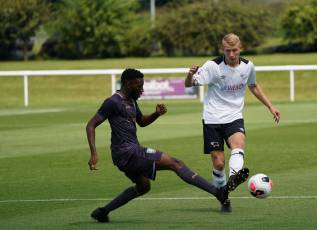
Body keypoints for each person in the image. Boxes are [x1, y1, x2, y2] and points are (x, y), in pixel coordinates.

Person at [86, 69, 239, 223]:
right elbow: (91, 125)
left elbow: (142, 122)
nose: (142, 89)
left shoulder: (131, 100)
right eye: (139, 86)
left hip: (126, 154)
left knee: (143, 187)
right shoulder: (113, 102)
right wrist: (94, 154)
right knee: (176, 163)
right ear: (128, 83)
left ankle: (103, 212)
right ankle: (218, 192)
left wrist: (156, 114)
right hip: (127, 152)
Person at [185, 33, 281, 210]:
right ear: (223, 49)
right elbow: (189, 85)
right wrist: (190, 75)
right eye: (228, 51)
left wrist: (270, 106)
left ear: (240, 48)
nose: (231, 54)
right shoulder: (213, 66)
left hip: (234, 116)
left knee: (239, 145)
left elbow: (253, 86)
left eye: (234, 50)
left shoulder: (248, 66)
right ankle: (223, 195)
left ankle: (234, 178)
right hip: (212, 118)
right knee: (218, 163)